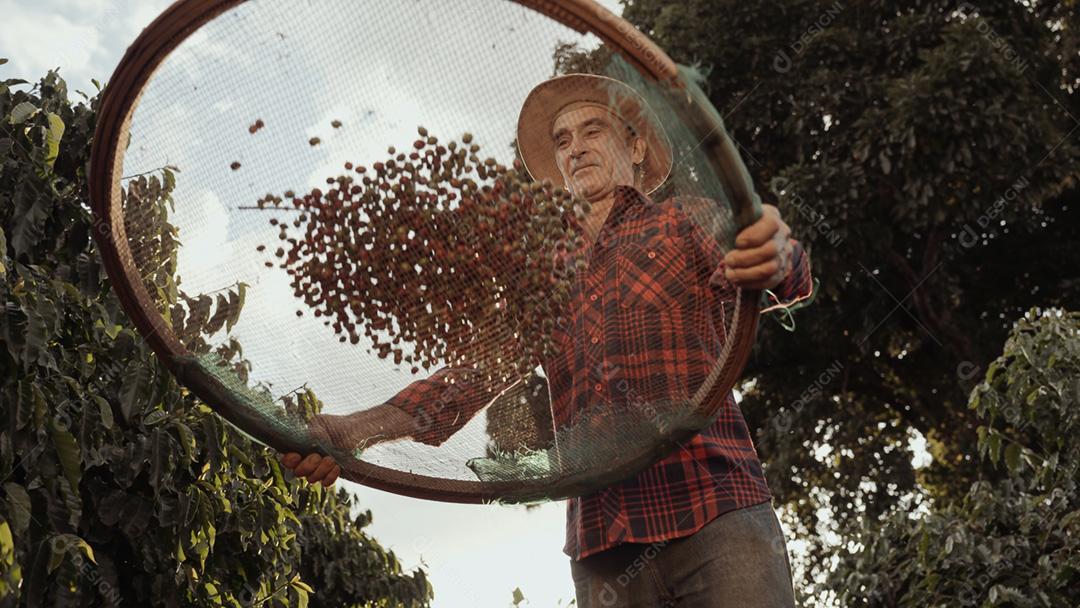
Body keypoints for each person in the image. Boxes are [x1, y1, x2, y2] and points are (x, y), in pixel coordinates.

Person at [279, 73, 814, 607]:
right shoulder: (545, 271)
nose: (575, 148)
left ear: (634, 145)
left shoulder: (686, 220)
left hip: (714, 508)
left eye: (592, 130)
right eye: (562, 140)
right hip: (604, 542)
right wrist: (355, 430)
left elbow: (777, 271)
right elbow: (471, 378)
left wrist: (776, 253)